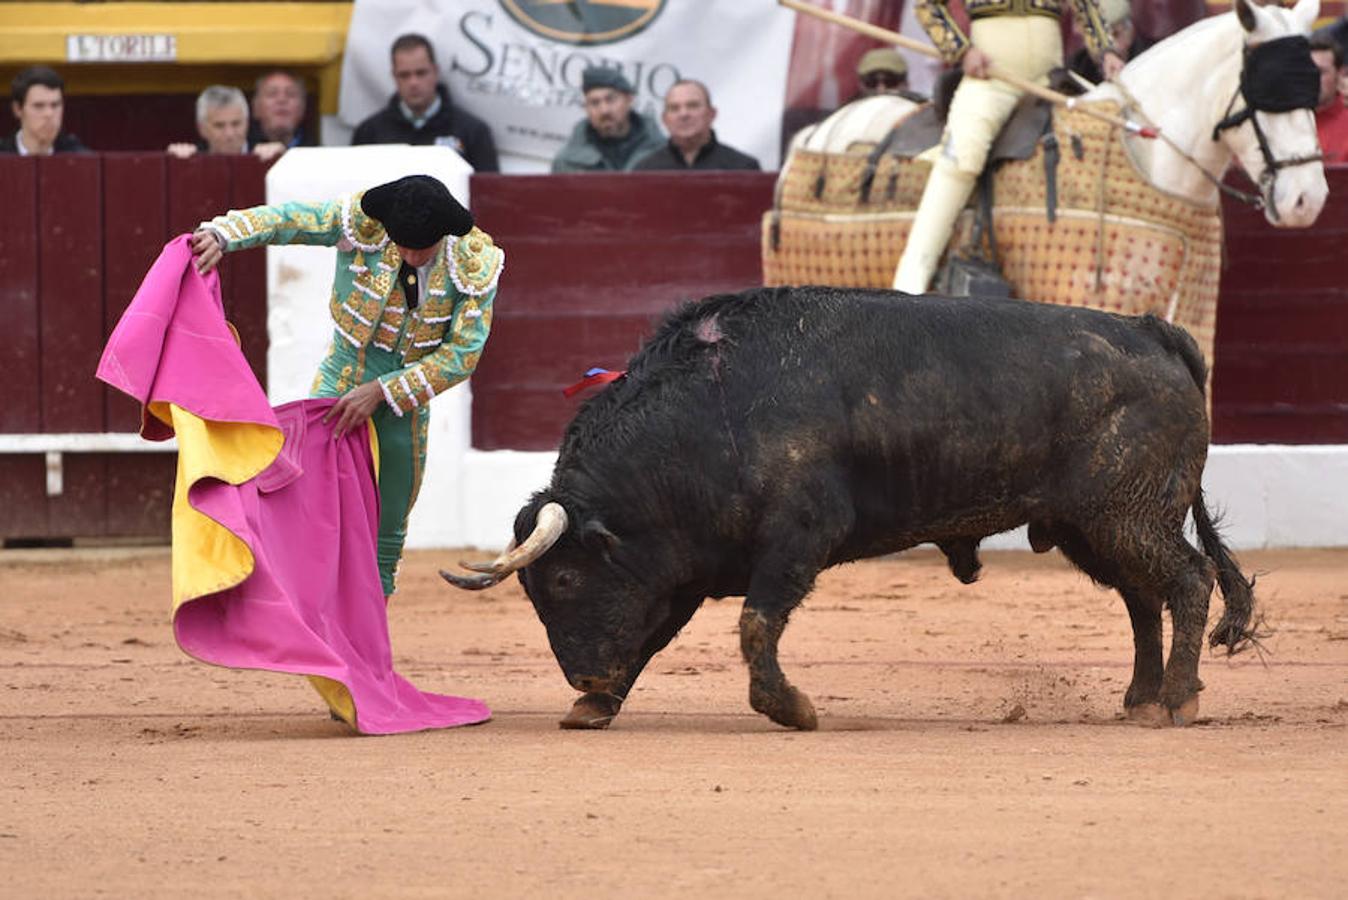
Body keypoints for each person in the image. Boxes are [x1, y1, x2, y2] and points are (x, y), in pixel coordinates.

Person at [189, 174, 503, 598]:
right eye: (402, 243)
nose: (410, 255)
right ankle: (292, 611)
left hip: (403, 398)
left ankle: (367, 638)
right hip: (344, 373)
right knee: (302, 495)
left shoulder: (472, 260)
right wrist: (224, 233)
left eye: (421, 247)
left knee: (387, 525)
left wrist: (383, 390)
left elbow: (462, 355)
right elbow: (291, 220)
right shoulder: (365, 223)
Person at [893, 0, 1120, 294]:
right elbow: (926, 5)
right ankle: (911, 279)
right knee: (963, 157)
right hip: (992, 79)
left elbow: (1087, 4)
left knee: (1105, 130)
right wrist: (962, 52)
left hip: (1051, 79)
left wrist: (1106, 52)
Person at [351, 34, 499, 172]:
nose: (413, 82)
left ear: (435, 71)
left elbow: (490, 193)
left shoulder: (473, 132)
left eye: (421, 73)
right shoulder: (369, 133)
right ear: (394, 76)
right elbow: (353, 191)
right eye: (404, 75)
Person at [552, 66, 665, 173]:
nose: (604, 110)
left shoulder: (664, 155)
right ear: (586, 108)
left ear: (629, 100)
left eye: (611, 100)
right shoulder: (567, 162)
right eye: (594, 103)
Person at [633, 80, 760, 171]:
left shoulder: (742, 167)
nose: (683, 114)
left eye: (693, 106)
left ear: (711, 114)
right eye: (674, 108)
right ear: (665, 119)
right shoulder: (646, 170)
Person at [168, 85, 287, 162]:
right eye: (219, 126)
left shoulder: (267, 153)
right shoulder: (192, 157)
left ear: (247, 123)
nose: (229, 134)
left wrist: (282, 159)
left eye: (236, 124)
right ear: (201, 128)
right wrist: (176, 161)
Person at [1, 66, 87, 155]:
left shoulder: (83, 160)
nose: (49, 114)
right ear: (18, 109)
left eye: (55, 105)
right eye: (39, 106)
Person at [1070, 0, 1154, 86]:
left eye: (1115, 34)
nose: (1112, 47)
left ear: (1131, 32)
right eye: (1095, 41)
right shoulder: (1075, 71)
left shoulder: (1153, 61)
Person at [249, 69, 312, 151]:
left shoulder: (320, 153)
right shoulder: (242, 151)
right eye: (272, 93)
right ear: (256, 108)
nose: (281, 100)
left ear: (303, 107)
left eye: (290, 94)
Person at [1310, 36, 1348, 164]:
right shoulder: (1282, 123)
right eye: (1308, 71)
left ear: (1340, 73)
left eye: (1321, 72)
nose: (1312, 78)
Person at [855, 48, 926, 102]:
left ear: (905, 84)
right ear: (861, 85)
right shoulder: (849, 115)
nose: (881, 89)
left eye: (890, 81)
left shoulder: (922, 112)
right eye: (872, 82)